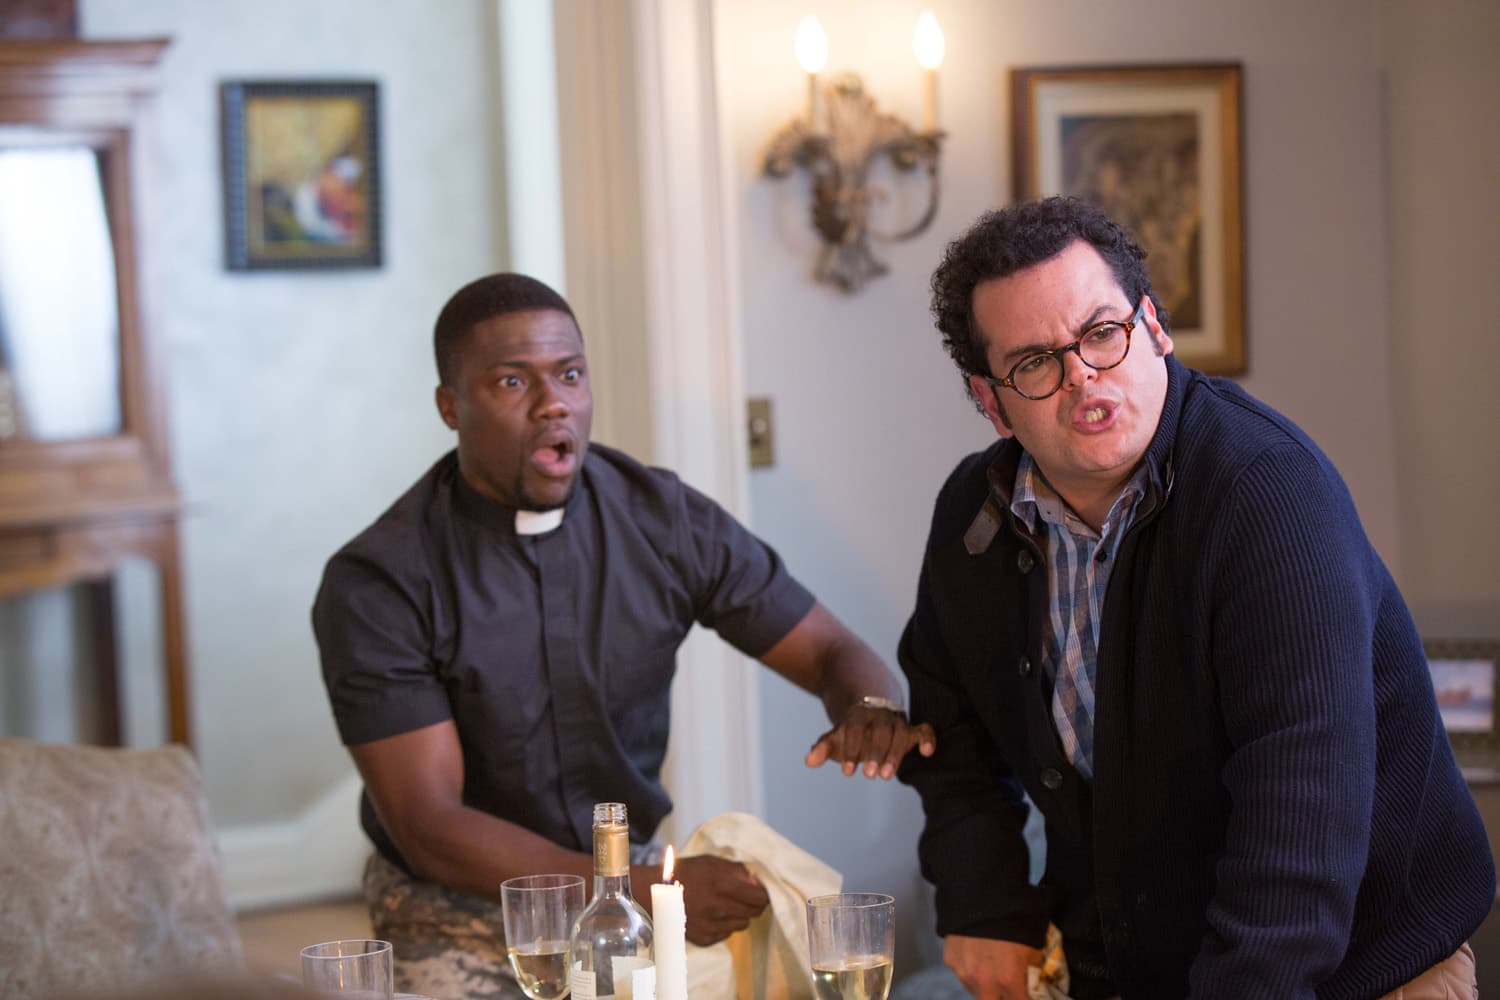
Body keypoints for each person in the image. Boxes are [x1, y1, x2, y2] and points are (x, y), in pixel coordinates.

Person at [896, 196, 1494, 1000]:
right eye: (1034, 362)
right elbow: (952, 730)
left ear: (1153, 327)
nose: (1083, 378)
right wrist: (985, 902)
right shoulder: (974, 516)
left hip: (1352, 971)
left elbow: (1298, 838)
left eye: (1102, 333)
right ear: (991, 401)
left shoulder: (1270, 495)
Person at [312, 272, 934, 998]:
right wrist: (635, 888)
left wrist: (870, 706)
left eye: (570, 375)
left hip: (634, 885)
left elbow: (829, 651)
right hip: (460, 907)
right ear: (451, 406)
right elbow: (430, 826)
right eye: (513, 381)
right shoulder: (380, 580)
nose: (553, 404)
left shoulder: (661, 518)